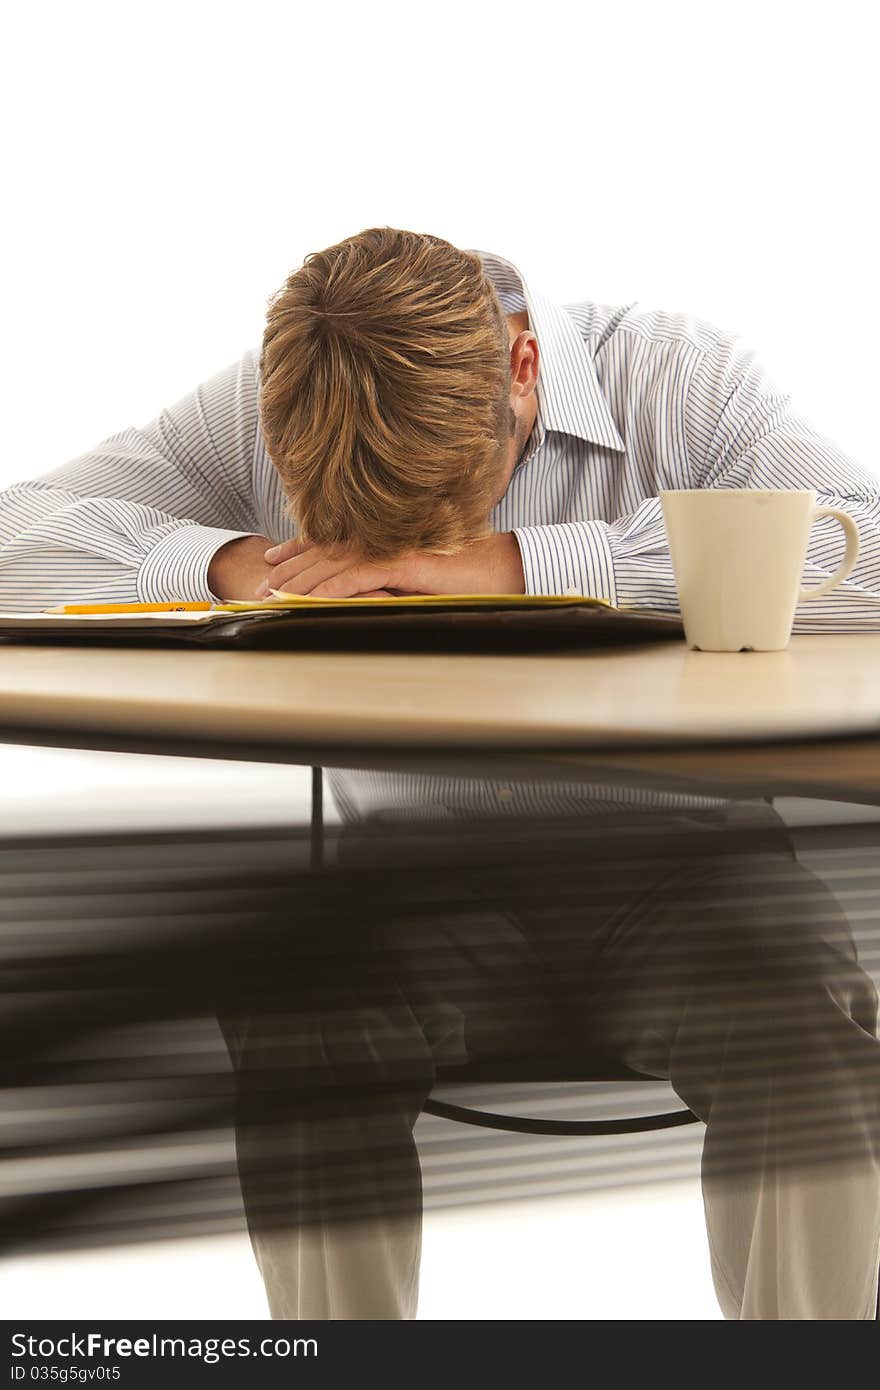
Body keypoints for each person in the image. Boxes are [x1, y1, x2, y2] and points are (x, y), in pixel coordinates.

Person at [1, 227, 878, 1319]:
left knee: (806, 1011)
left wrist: (514, 560)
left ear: (525, 372)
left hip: (687, 869)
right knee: (289, 996)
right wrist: (238, 565)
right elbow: (10, 532)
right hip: (411, 884)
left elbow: (871, 542)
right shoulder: (277, 390)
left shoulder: (676, 380)